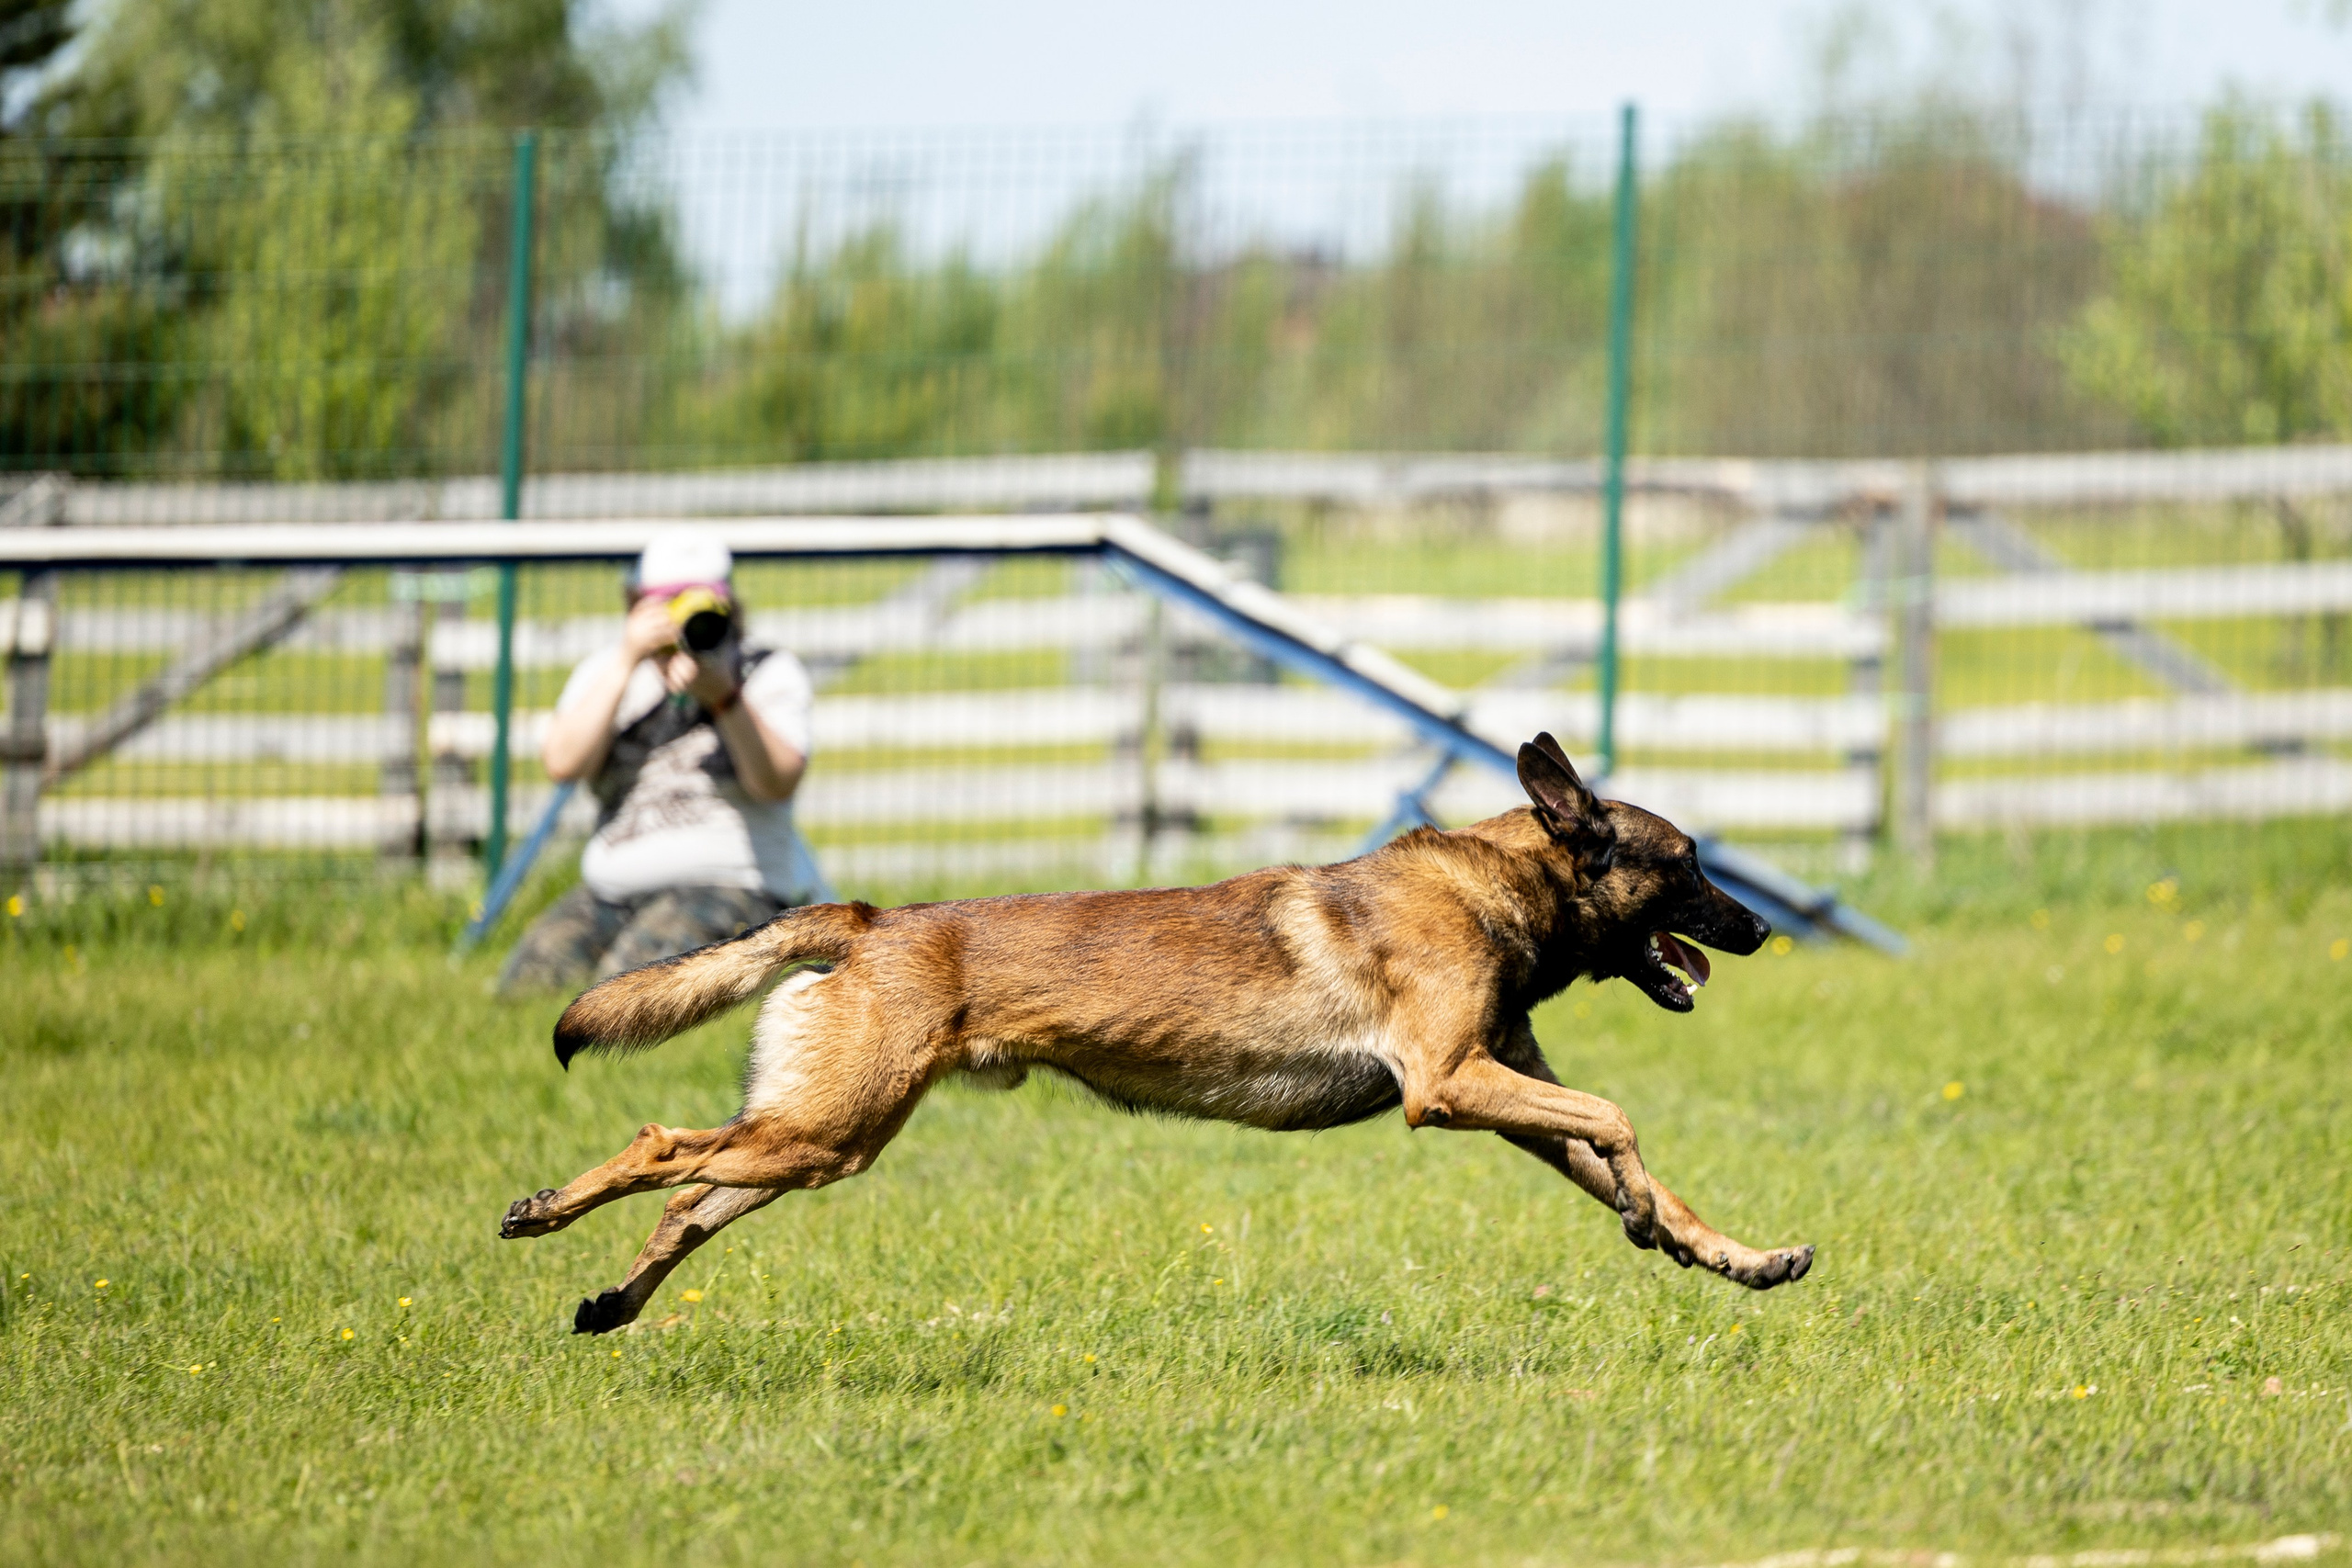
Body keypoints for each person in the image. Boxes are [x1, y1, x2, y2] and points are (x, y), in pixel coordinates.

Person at [499, 529, 819, 996]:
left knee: (628, 991)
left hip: (730, 884)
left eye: (700, 601)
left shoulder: (766, 671)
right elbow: (563, 764)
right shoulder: (607, 671)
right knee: (526, 987)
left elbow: (777, 783)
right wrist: (628, 659)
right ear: (637, 603)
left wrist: (725, 699)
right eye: (666, 601)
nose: (682, 616)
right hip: (611, 890)